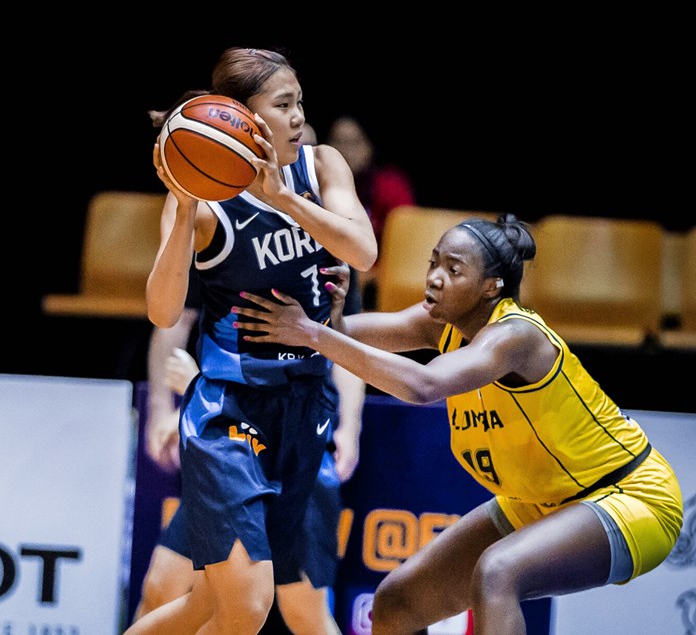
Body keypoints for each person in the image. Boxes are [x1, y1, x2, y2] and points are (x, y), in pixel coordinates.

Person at [233, 213, 684, 634]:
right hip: (540, 500)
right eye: (432, 263)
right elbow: (350, 334)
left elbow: (423, 386)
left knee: (498, 572)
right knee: (396, 602)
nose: (433, 277)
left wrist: (315, 334)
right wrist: (327, 317)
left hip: (629, 495)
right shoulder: (439, 324)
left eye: (453, 269)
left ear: (491, 287)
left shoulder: (516, 337)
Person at [129, 46, 378, 634]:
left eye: (300, 104)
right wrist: (184, 211)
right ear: (241, 119)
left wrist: (285, 200)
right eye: (284, 105)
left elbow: (363, 250)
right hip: (231, 411)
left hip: (305, 407)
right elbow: (164, 313)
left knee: (212, 606)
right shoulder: (205, 198)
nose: (298, 117)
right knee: (240, 605)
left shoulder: (322, 167)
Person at [135, 290, 365, 632]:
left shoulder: (335, 247)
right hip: (229, 450)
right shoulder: (217, 240)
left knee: (303, 613)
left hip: (299, 446)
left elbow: (348, 337)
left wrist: (351, 426)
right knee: (164, 589)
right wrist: (168, 407)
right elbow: (174, 316)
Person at [326, 115, 416, 311]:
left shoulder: (391, 186)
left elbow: (405, 248)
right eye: (338, 141)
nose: (345, 151)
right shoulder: (320, 186)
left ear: (370, 145)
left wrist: (370, 271)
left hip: (374, 279)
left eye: (354, 142)